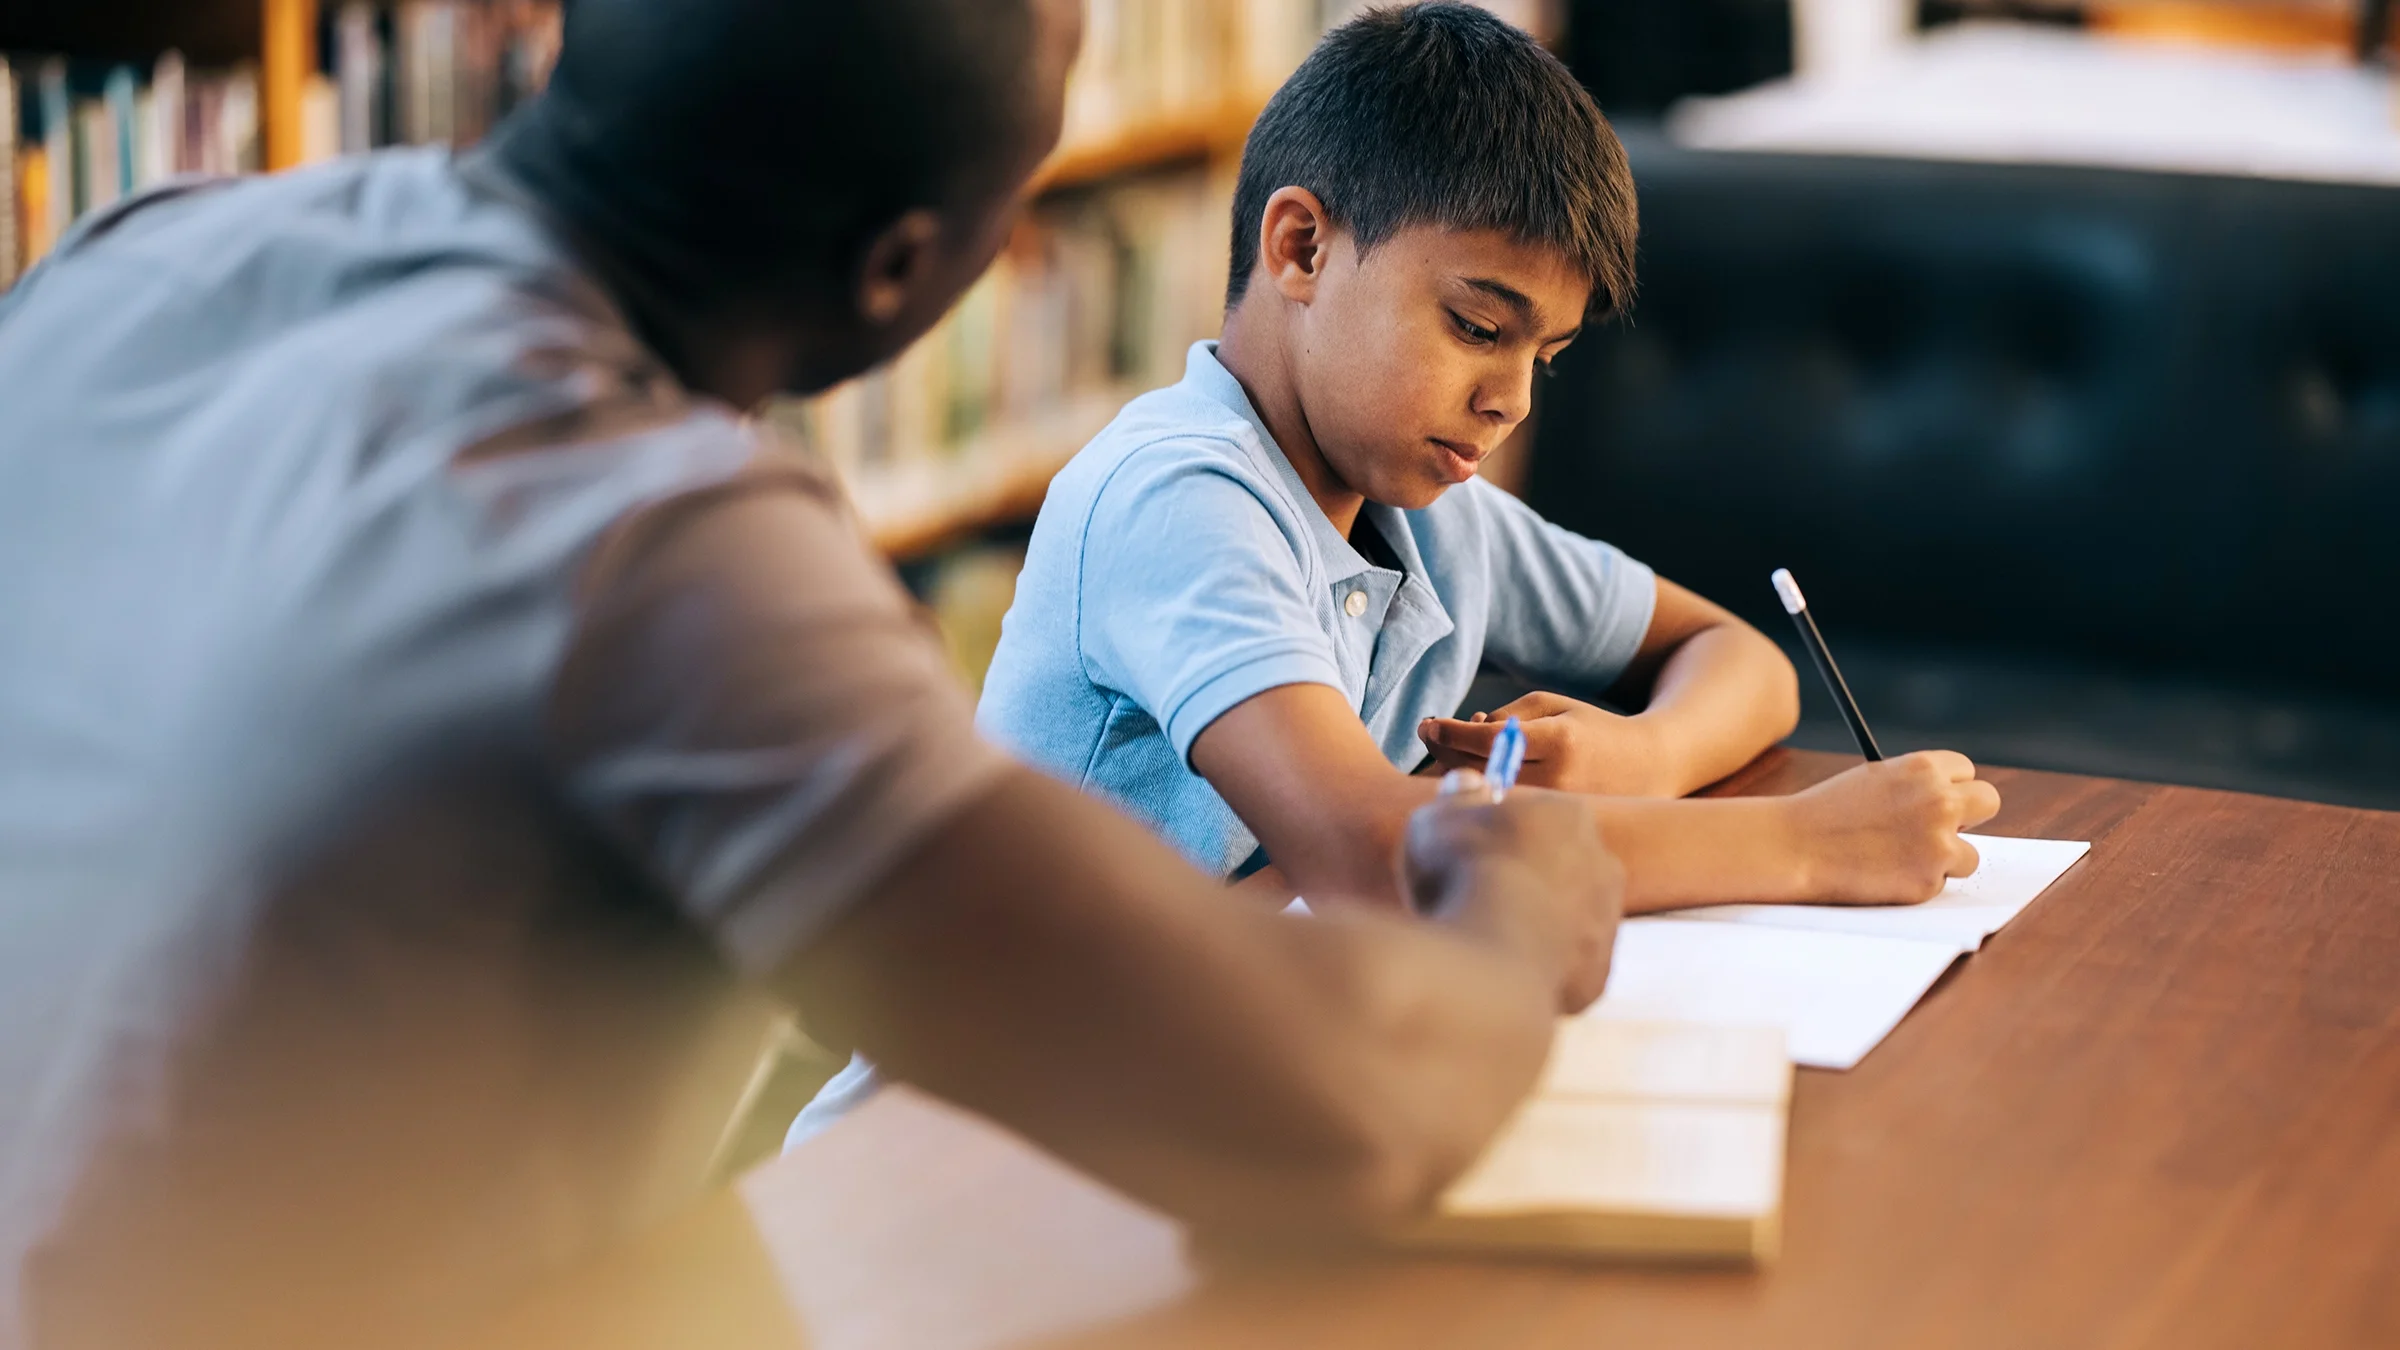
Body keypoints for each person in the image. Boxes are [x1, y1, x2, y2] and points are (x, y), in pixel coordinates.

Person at [0, 3, 1624, 1347]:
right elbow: (1336, 1111)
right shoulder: (656, 553)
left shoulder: (137, 258)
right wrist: (1512, 908)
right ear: (906, 273)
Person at [795, 2, 2004, 1142]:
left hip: (1198, 1087)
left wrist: (1646, 754)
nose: (1512, 397)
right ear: (1303, 246)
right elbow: (1376, 860)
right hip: (970, 1143)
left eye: (1548, 352)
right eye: (1480, 326)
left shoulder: (1427, 505)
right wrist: (1807, 847)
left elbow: (1736, 656)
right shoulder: (1180, 495)